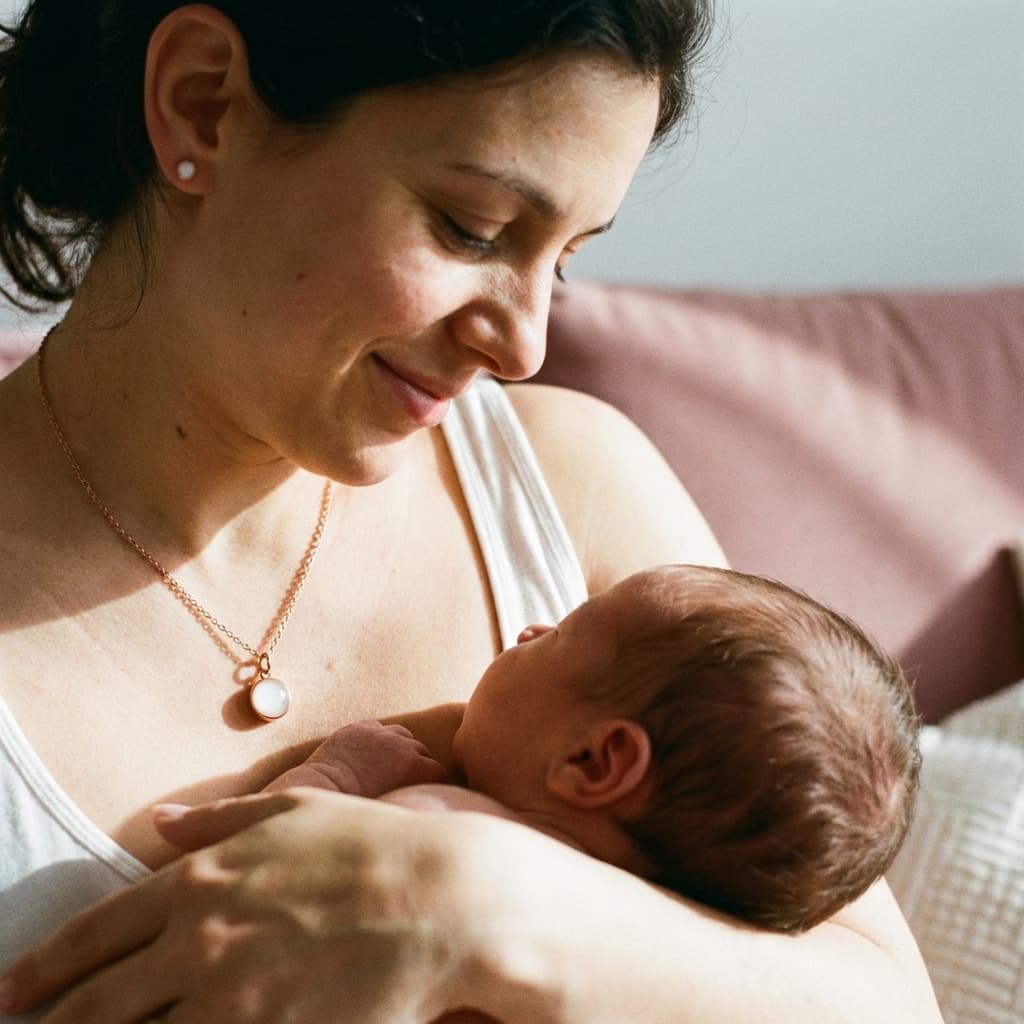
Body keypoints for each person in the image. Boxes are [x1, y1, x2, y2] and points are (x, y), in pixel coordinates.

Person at [0, 2, 943, 1022]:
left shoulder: (572, 478)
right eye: (473, 228)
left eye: (567, 257)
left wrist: (479, 906)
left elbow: (885, 1002)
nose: (525, 343)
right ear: (202, 106)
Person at [264, 564, 922, 935]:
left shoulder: (440, 835)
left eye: (562, 633)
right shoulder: (641, 950)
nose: (530, 627)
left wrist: (338, 773)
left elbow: (240, 880)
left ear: (594, 762)